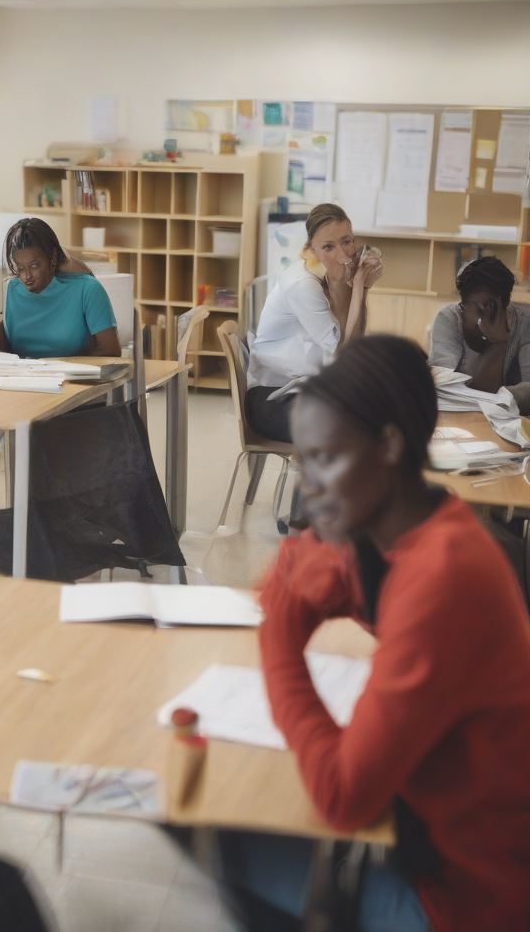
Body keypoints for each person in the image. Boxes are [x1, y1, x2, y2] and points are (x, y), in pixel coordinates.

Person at [204, 335, 530, 930]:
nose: (309, 487)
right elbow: (337, 578)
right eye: (305, 463)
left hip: (467, 899)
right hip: (442, 838)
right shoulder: (424, 527)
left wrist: (280, 635)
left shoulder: (444, 579)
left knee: (213, 825)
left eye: (327, 458)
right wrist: (331, 571)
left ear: (387, 445)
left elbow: (343, 795)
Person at [246, 203, 382, 443]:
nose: (342, 255)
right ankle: (321, 481)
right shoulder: (304, 285)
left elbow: (351, 343)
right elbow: (343, 356)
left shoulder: (332, 278)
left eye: (347, 242)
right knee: (357, 428)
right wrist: (360, 286)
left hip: (307, 389)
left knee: (379, 410)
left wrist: (359, 287)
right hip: (273, 400)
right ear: (311, 251)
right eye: (328, 247)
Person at [0, 217, 120, 358]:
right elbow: (9, 347)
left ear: (52, 258)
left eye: (35, 265)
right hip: (22, 377)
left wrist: (63, 368)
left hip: (70, 379)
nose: (27, 276)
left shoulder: (88, 289)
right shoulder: (13, 289)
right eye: (21, 268)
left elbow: (111, 351)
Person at [429, 254, 530, 413]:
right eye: (467, 307)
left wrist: (500, 342)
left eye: (487, 307)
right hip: (458, 418)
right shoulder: (450, 318)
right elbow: (442, 383)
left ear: (503, 305)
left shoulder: (525, 322)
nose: (477, 318)